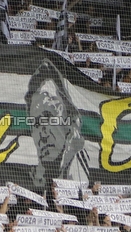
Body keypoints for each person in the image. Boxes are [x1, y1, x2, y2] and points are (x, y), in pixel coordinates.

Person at [25, 60, 91, 190]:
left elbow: (48, 66)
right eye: (37, 124)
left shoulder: (78, 169)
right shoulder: (32, 174)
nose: (43, 135)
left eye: (49, 121)